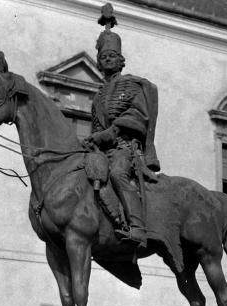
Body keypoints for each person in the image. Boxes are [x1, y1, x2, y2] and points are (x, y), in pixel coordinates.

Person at [83, 3, 160, 248]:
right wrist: (92, 140)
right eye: (103, 57)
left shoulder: (131, 85)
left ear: (121, 61)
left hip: (125, 148)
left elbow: (137, 116)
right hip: (104, 149)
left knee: (117, 174)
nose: (107, 60)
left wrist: (110, 133)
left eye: (111, 56)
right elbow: (96, 127)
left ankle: (137, 227)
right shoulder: (98, 95)